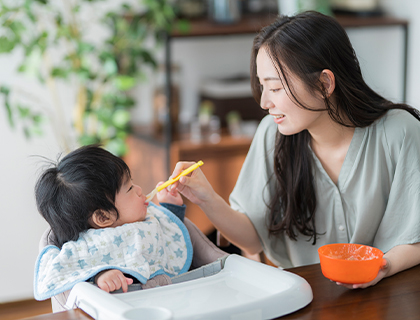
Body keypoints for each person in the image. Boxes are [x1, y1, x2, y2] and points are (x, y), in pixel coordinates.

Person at [169, 11, 420, 289]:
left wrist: (383, 268)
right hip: (304, 294)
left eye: (275, 88)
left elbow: (415, 236)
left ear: (324, 84)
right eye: (263, 87)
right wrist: (207, 198)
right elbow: (252, 238)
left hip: (393, 294)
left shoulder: (400, 132)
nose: (264, 101)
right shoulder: (271, 134)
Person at [34, 144, 192, 299]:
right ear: (103, 217)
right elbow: (74, 273)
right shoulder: (88, 247)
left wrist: (172, 208)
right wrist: (100, 275)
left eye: (132, 182)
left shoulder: (145, 217)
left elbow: (167, 237)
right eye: (129, 188)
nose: (139, 189)